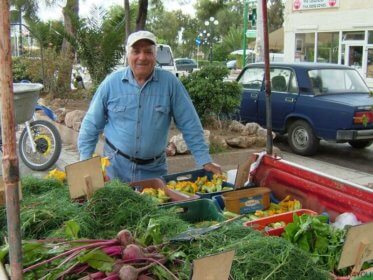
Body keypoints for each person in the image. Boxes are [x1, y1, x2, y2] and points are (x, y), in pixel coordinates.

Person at [78, 30, 222, 182]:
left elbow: (190, 124)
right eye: (136, 51)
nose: (142, 57)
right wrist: (85, 162)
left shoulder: (170, 84)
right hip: (114, 168)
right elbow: (91, 125)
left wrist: (204, 160)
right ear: (128, 55)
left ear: (155, 55)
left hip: (154, 171)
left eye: (148, 51)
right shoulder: (111, 83)